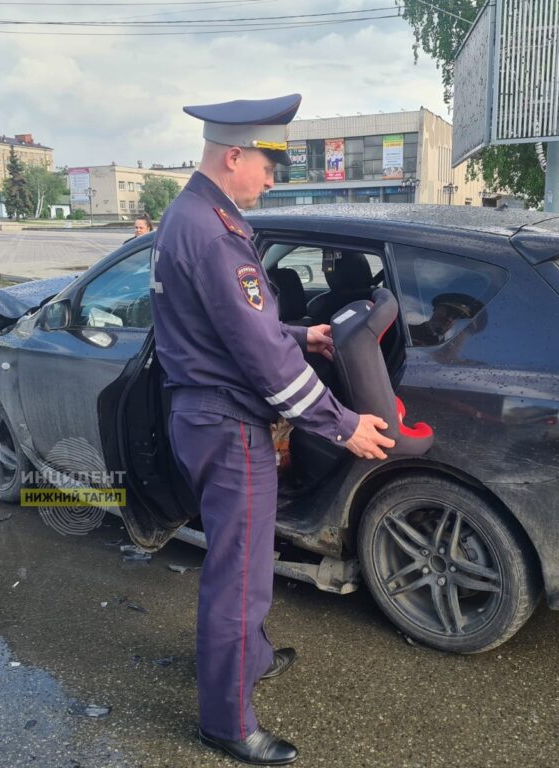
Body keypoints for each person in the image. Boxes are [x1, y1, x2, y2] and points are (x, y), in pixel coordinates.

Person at [149, 93, 394, 766]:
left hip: (206, 415)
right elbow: (264, 363)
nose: (271, 178)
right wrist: (342, 426)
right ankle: (226, 720)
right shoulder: (213, 232)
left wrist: (296, 330)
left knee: (242, 566)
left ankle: (246, 660)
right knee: (240, 577)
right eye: (267, 164)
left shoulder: (193, 216)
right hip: (227, 427)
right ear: (234, 156)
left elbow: (230, 327)